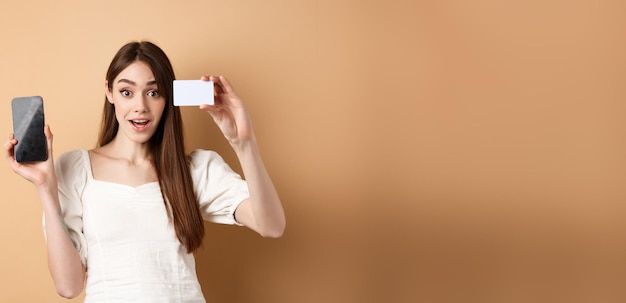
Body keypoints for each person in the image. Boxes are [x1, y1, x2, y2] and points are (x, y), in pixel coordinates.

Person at [4, 41, 286, 302]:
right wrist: (45, 187)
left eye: (153, 92)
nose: (140, 107)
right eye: (127, 92)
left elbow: (271, 225)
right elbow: (69, 286)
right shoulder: (75, 169)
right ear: (109, 92)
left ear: (168, 98)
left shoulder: (194, 170)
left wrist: (243, 143)